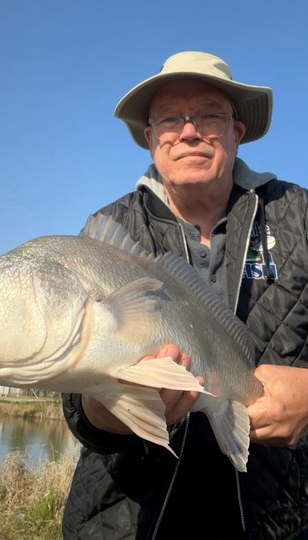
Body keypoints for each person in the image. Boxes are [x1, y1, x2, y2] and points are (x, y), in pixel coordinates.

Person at [61, 51, 308, 539]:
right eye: (170, 118)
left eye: (209, 114)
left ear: (237, 130)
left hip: (277, 521)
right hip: (127, 523)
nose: (189, 131)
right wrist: (103, 408)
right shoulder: (106, 232)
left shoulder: (299, 215)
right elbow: (75, 399)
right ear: (151, 139)